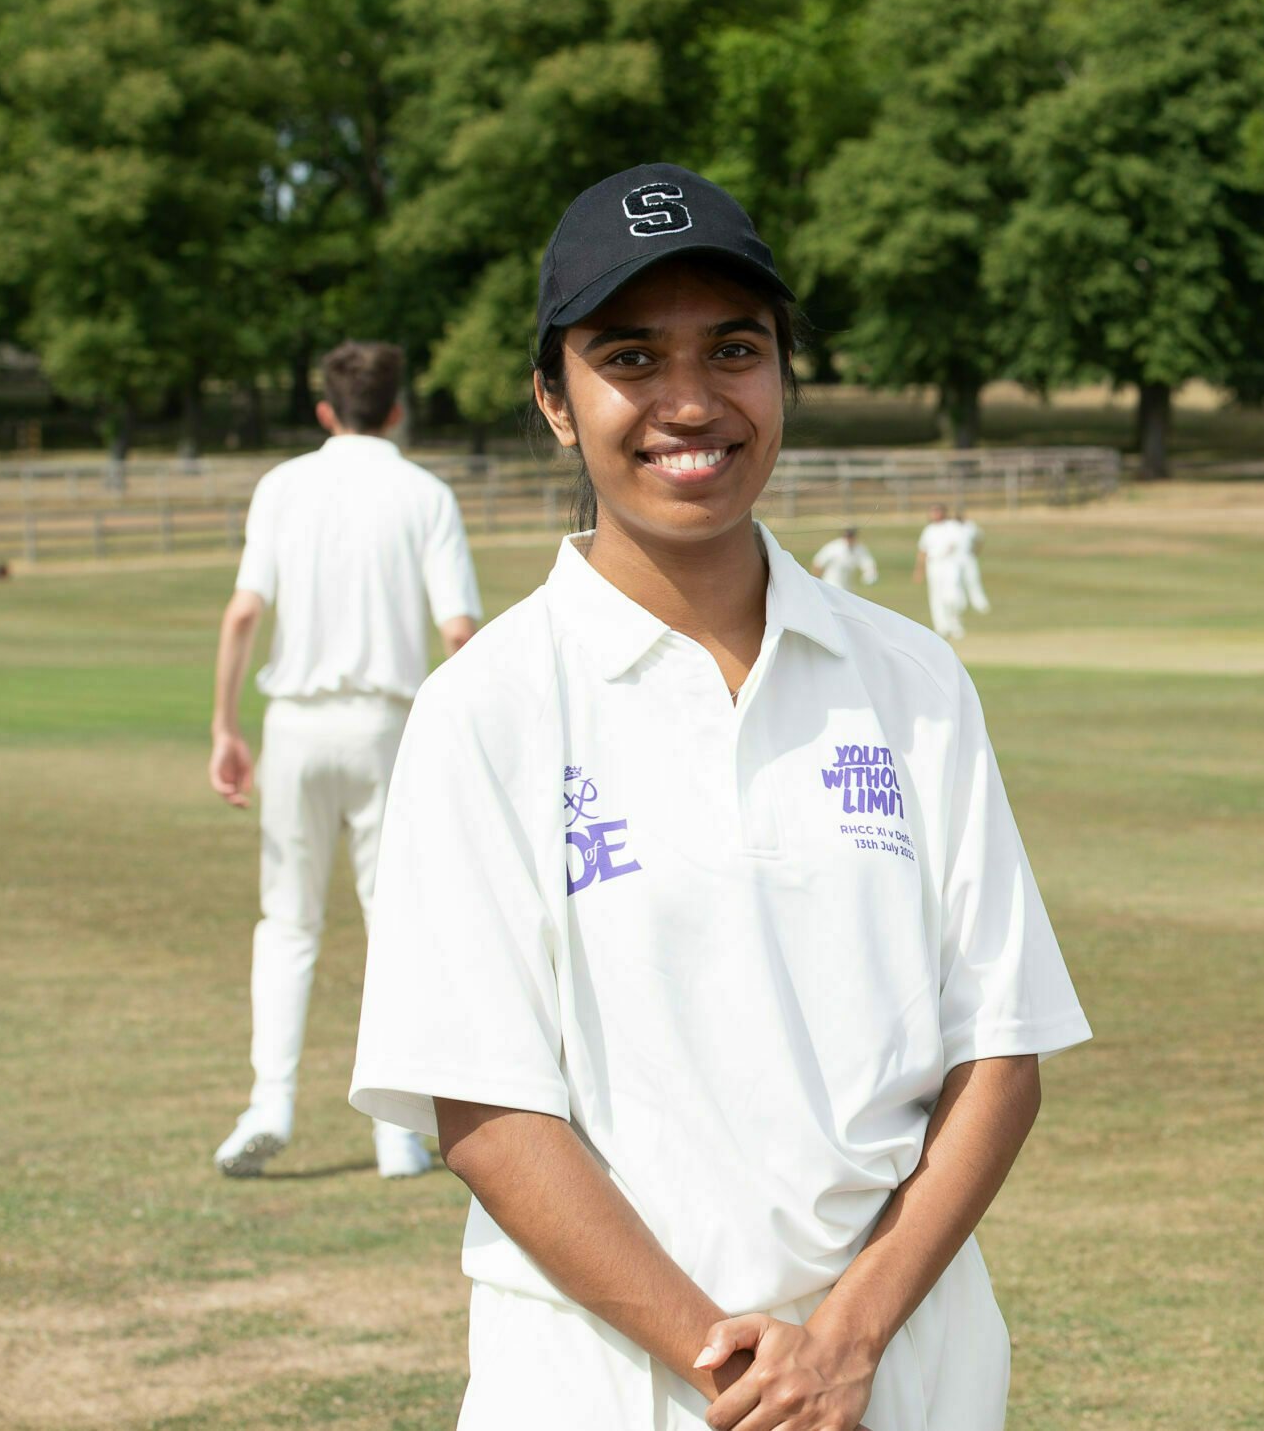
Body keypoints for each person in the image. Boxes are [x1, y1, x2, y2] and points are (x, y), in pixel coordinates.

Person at [349, 164, 1091, 1431]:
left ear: (783, 376)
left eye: (734, 349)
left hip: (902, 1370)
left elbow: (998, 1051)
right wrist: (740, 1371)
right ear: (552, 397)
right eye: (629, 356)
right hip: (606, 1385)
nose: (689, 402)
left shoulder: (910, 678)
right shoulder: (488, 707)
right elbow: (483, 1105)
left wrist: (845, 1341)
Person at [209, 340, 482, 1180]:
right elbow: (461, 633)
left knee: (287, 921)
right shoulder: (424, 493)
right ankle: (395, 1129)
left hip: (295, 726)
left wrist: (226, 726)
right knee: (392, 923)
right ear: (397, 409)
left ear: (327, 412)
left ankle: (271, 1102)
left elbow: (244, 613)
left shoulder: (283, 485)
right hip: (387, 729)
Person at [914, 503, 970, 640]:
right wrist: (919, 570)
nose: (935, 514)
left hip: (950, 564)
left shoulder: (952, 526)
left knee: (952, 596)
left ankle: (955, 625)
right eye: (932, 511)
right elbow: (923, 550)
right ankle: (941, 627)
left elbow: (956, 544)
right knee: (936, 597)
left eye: (937, 511)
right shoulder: (928, 530)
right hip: (933, 565)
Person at [810, 525, 878, 592]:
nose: (849, 539)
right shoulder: (833, 547)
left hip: (848, 588)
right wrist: (816, 583)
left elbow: (867, 563)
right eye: (847, 536)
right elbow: (818, 563)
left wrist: (869, 574)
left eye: (851, 536)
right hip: (831, 585)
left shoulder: (859, 548)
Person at [956, 511, 990, 614]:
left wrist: (976, 551)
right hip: (955, 560)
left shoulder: (970, 526)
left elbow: (980, 539)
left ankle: (980, 604)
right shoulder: (951, 527)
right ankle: (960, 604)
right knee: (956, 582)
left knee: (973, 580)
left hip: (969, 558)